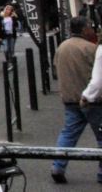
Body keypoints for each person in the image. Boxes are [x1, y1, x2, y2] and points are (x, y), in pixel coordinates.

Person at [50, 16, 102, 184]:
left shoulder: (62, 47)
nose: (93, 30)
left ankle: (58, 166)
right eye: (90, 27)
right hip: (92, 100)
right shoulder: (91, 48)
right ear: (84, 29)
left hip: (69, 98)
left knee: (69, 133)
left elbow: (56, 69)